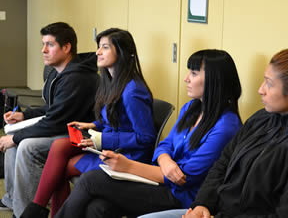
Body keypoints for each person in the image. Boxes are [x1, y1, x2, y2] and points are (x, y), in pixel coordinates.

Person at [54, 49, 243, 218]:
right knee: (98, 207)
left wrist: (128, 166)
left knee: (91, 180)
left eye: (193, 73)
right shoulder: (191, 108)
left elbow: (184, 177)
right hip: (160, 182)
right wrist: (166, 160)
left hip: (183, 198)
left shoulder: (226, 125)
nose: (186, 78)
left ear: (214, 81)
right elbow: (164, 145)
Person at [139, 48, 288, 218]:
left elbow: (287, 213)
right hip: (213, 211)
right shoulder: (261, 119)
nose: (260, 90)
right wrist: (202, 204)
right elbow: (222, 163)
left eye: (269, 84)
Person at [20, 28, 156, 218]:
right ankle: (40, 210)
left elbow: (146, 138)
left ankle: (45, 212)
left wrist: (102, 139)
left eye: (105, 48)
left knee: (62, 168)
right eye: (98, 47)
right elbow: (114, 119)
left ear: (122, 52)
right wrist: (92, 125)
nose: (98, 52)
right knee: (60, 146)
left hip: (127, 155)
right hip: (108, 143)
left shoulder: (133, 91)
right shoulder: (110, 80)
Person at [0, 22, 98, 218]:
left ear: (66, 47)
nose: (43, 50)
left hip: (80, 134)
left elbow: (55, 121)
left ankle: (26, 213)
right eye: (43, 44)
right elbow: (54, 109)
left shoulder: (77, 78)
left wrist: (17, 137)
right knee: (13, 140)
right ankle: (13, 200)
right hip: (63, 126)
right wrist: (24, 116)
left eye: (50, 45)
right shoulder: (58, 72)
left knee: (26, 145)